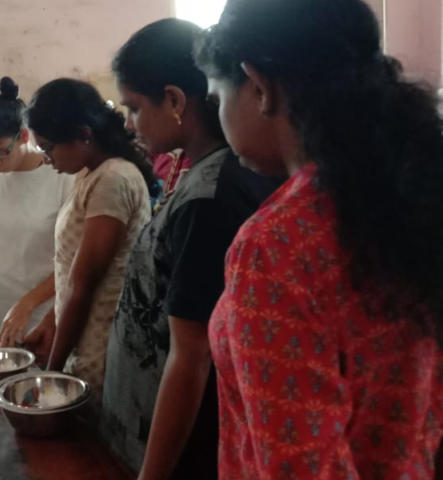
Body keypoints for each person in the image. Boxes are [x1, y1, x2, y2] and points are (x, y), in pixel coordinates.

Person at [195, 0, 443, 477]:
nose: (218, 116)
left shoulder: (275, 246)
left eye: (216, 98)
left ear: (260, 86)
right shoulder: (410, 199)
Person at [100, 19, 281, 480]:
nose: (128, 123)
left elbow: (192, 354)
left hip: (181, 449)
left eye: (135, 108)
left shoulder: (211, 197)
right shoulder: (197, 173)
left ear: (175, 101)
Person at [24, 78, 154, 398]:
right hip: (85, 340)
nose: (46, 158)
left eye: (49, 147)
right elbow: (69, 269)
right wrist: (53, 325)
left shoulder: (112, 179)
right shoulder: (90, 173)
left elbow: (82, 287)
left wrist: (51, 375)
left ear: (84, 135)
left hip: (103, 346)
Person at [0, 77, 73, 344]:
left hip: (43, 310)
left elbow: (72, 260)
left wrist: (28, 304)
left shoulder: (61, 177)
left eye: (0, 153)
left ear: (23, 136)